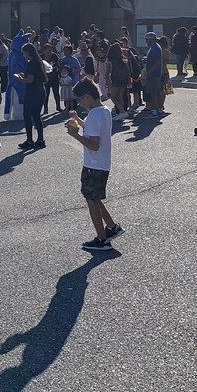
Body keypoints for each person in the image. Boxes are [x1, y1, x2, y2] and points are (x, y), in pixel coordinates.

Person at [66, 78, 120, 252]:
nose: (80, 103)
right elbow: (93, 128)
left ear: (88, 97)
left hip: (94, 164)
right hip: (102, 163)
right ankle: (111, 226)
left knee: (91, 199)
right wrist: (79, 121)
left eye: (80, 99)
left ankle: (102, 239)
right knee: (94, 197)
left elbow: (94, 145)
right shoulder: (103, 111)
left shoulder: (95, 115)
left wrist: (75, 135)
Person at [15, 42, 47, 150]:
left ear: (28, 52)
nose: (23, 55)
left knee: (27, 115)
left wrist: (21, 79)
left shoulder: (31, 63)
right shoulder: (38, 62)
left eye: (24, 53)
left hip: (33, 92)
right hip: (40, 91)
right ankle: (40, 139)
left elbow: (30, 79)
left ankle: (29, 140)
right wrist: (25, 75)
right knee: (36, 116)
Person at [142, 32, 165, 116]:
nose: (146, 41)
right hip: (155, 73)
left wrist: (149, 72)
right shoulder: (153, 48)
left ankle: (154, 110)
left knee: (154, 93)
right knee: (157, 91)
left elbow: (157, 61)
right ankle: (159, 109)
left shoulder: (155, 48)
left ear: (151, 39)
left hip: (154, 74)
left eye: (147, 39)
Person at [106, 42, 130, 120]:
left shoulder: (110, 60)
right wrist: (129, 80)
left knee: (113, 97)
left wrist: (108, 83)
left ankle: (122, 112)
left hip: (115, 80)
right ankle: (120, 113)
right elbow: (128, 70)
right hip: (123, 80)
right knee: (120, 97)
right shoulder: (123, 58)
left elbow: (107, 73)